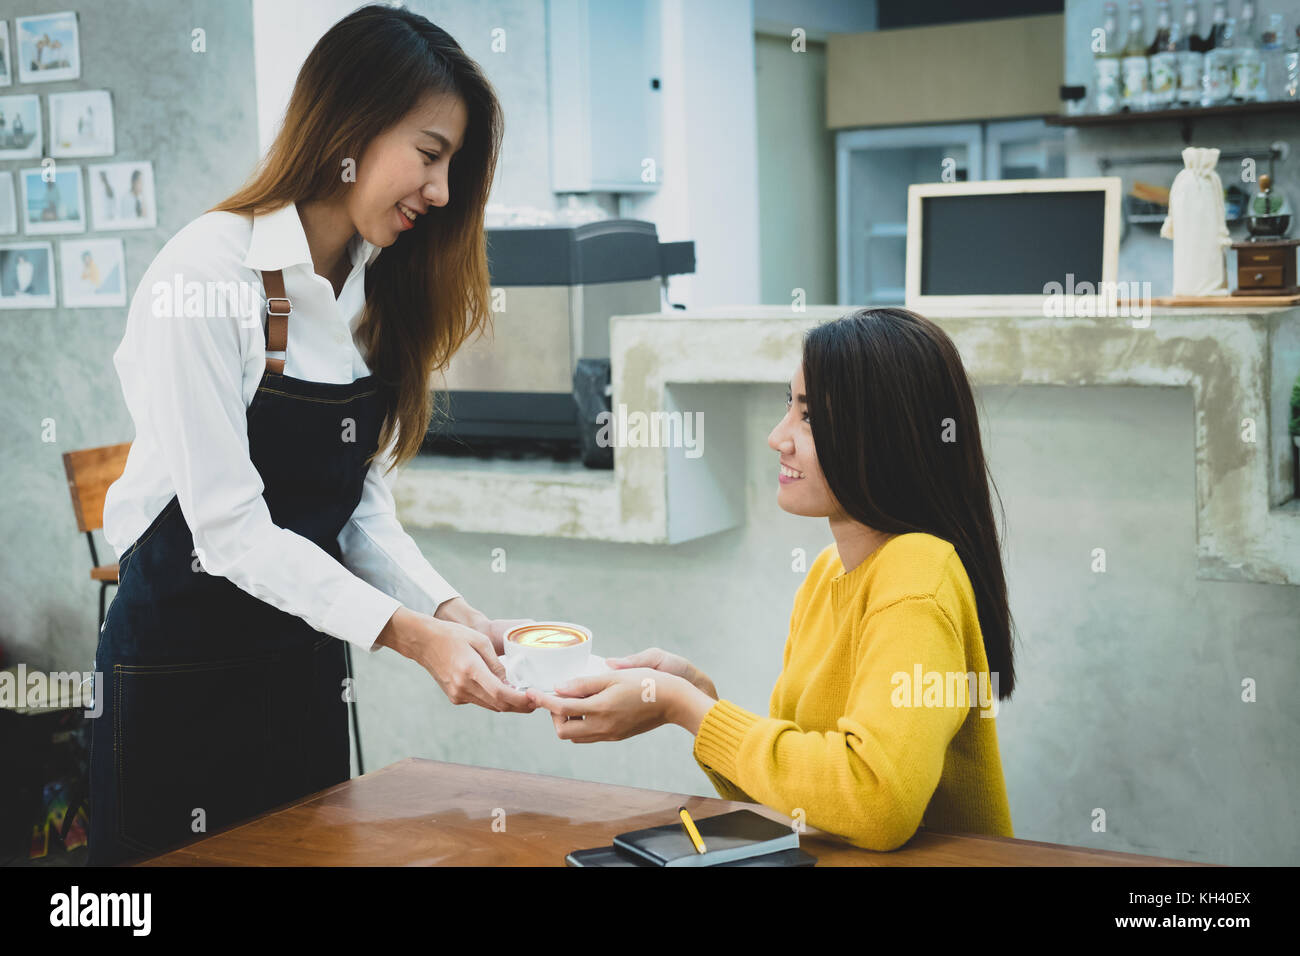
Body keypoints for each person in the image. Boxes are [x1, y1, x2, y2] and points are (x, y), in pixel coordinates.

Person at [90, 5, 535, 866]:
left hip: (302, 673)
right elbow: (229, 531)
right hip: (179, 675)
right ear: (351, 123)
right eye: (431, 154)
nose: (441, 194)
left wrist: (451, 612)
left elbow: (355, 509)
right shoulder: (205, 277)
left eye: (454, 168)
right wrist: (411, 637)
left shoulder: (371, 289)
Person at [528, 308, 1018, 851]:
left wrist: (684, 708)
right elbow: (800, 802)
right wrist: (699, 699)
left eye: (809, 417)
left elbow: (877, 802)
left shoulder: (918, 575)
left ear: (882, 436)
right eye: (789, 406)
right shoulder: (828, 573)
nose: (777, 437)